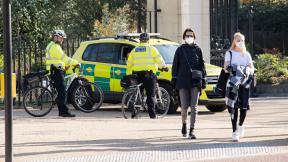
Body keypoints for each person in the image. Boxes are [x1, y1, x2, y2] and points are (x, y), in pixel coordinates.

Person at [171, 28, 207, 139]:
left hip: (195, 82)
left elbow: (202, 65)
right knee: (184, 107)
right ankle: (184, 124)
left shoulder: (198, 49)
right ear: (184, 37)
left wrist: (204, 79)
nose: (189, 37)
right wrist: (174, 79)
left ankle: (192, 130)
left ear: (194, 37)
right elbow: (175, 66)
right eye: (187, 35)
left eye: (191, 35)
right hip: (182, 81)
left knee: (194, 107)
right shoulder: (180, 50)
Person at [126, 33, 166, 119]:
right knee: (150, 95)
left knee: (138, 93)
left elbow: (129, 64)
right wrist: (164, 67)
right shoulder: (151, 49)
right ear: (148, 40)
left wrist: (129, 74)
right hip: (149, 75)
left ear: (140, 40)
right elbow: (159, 59)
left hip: (137, 74)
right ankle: (152, 115)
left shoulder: (134, 50)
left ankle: (134, 113)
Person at [224, 32, 254, 142]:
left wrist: (245, 71)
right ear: (234, 41)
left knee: (244, 108)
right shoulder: (229, 53)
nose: (240, 42)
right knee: (233, 107)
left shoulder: (247, 54)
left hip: (244, 84)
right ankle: (234, 131)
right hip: (232, 83)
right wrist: (235, 69)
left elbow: (251, 68)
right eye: (238, 40)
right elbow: (226, 67)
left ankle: (241, 125)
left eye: (241, 40)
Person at [45, 30, 79, 117]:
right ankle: (64, 112)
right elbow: (64, 58)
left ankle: (61, 111)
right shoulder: (55, 47)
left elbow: (58, 60)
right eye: (61, 38)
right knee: (62, 92)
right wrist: (75, 62)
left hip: (54, 70)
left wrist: (65, 66)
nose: (62, 40)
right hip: (55, 71)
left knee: (61, 92)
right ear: (56, 37)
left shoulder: (51, 45)